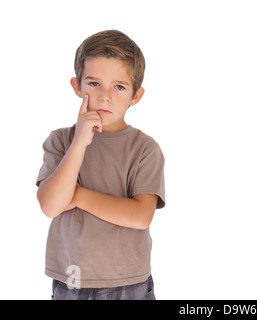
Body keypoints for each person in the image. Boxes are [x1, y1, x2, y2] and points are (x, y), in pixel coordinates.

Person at [36, 30, 165, 300]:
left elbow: (141, 216)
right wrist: (80, 142)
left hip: (129, 282)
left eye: (119, 86)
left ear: (136, 95)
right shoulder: (61, 141)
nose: (105, 96)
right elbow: (51, 205)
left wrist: (77, 195)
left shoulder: (144, 148)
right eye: (94, 83)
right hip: (72, 280)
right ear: (77, 86)